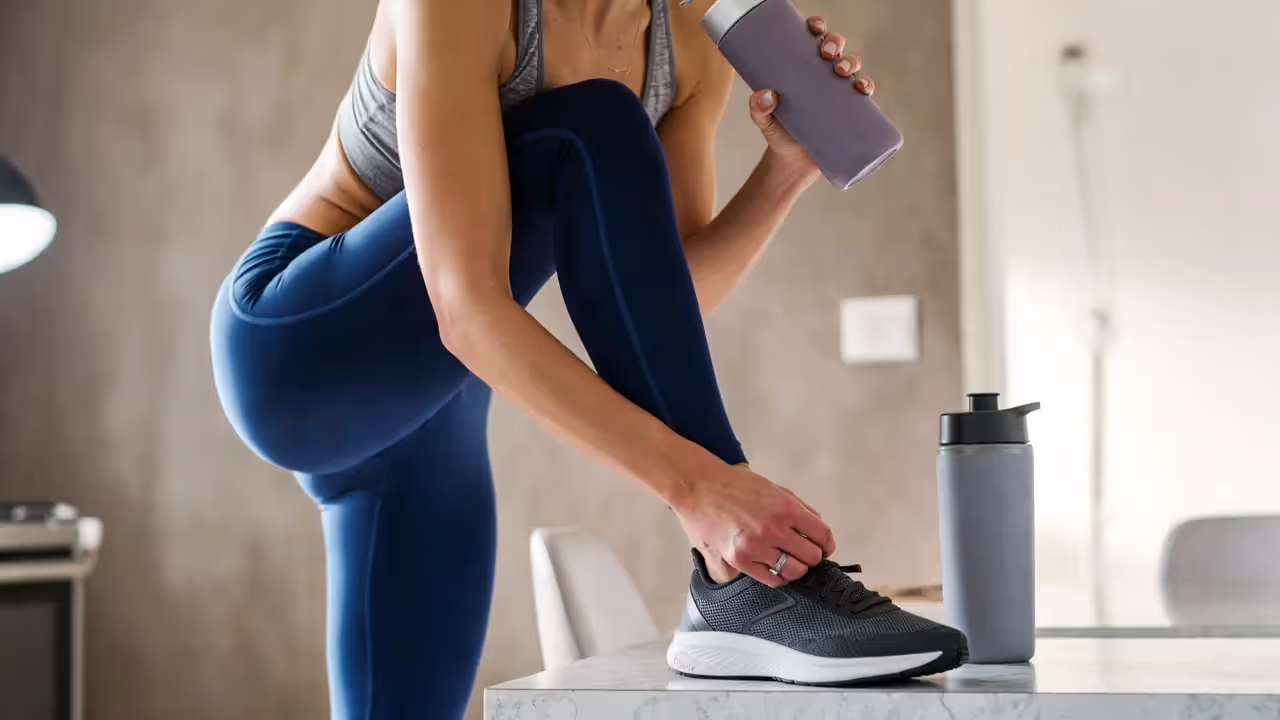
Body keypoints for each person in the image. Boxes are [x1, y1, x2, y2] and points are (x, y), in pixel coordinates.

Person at [210, 0, 965, 716]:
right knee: (593, 122)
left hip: (440, 403)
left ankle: (738, 581)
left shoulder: (682, 35)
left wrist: (784, 174)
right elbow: (466, 309)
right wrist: (703, 491)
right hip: (302, 341)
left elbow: (664, 296)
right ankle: (739, 579)